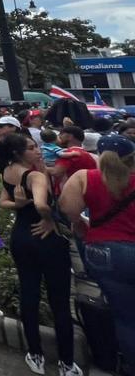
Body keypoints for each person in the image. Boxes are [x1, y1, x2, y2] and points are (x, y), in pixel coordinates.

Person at [0, 132, 80, 376]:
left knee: (29, 294)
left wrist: (20, 205)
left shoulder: (8, 171)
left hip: (21, 236)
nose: (38, 150)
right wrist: (49, 219)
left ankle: (35, 353)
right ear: (18, 152)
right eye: (32, 147)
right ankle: (66, 361)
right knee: (59, 300)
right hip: (46, 239)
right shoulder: (34, 176)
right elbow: (42, 204)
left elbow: (3, 201)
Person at [60, 134, 135, 370]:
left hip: (103, 250)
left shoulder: (86, 177)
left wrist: (80, 223)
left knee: (125, 317)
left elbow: (67, 208)